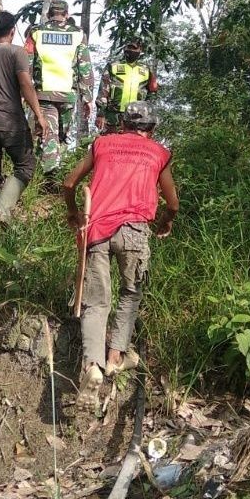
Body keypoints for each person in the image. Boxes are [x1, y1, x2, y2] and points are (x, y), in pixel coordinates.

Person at [62, 101, 178, 404]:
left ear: (122, 124)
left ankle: (93, 366)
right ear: (151, 129)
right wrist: (165, 222)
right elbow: (174, 203)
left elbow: (69, 182)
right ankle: (115, 357)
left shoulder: (102, 144)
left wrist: (74, 213)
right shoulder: (159, 153)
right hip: (135, 231)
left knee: (97, 303)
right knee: (130, 294)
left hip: (97, 229)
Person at [0, 11, 50, 223]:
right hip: (10, 121)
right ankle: (2, 212)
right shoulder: (18, 53)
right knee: (25, 166)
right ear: (13, 31)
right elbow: (25, 85)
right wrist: (39, 115)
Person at [24, 0, 92, 185]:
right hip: (68, 94)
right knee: (60, 135)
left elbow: (26, 64)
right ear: (67, 15)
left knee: (48, 133)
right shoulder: (77, 34)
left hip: (44, 93)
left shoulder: (36, 32)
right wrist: (87, 98)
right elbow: (84, 66)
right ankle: (51, 176)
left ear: (48, 14)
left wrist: (24, 92)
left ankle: (47, 173)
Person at [95, 39, 158, 133]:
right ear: (125, 49)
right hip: (113, 115)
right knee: (111, 144)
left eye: (134, 48)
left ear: (140, 50)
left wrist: (148, 114)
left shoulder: (145, 70)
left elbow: (152, 91)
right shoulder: (113, 66)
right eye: (129, 47)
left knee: (132, 146)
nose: (131, 50)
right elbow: (103, 90)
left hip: (136, 117)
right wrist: (100, 113)